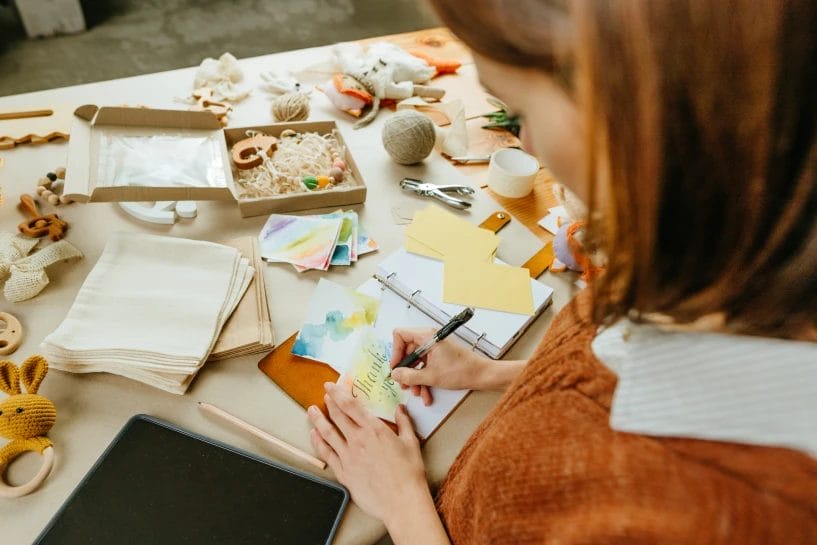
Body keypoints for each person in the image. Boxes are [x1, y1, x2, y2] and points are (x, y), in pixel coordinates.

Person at [308, 0, 817, 543]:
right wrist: (489, 374)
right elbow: (611, 361)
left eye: (522, 110)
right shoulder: (704, 259)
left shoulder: (707, 506)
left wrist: (402, 503)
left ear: (642, 118)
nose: (524, 143)